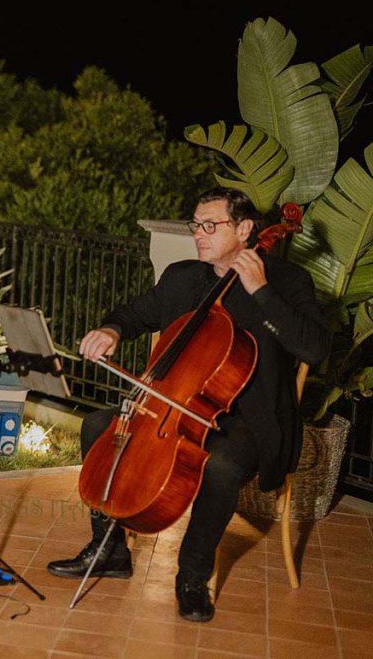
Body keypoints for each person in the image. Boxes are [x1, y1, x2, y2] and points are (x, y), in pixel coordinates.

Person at [46, 187, 330, 622]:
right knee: (99, 426)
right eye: (196, 225)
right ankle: (109, 550)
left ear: (246, 229)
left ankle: (192, 577)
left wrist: (260, 292)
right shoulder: (183, 277)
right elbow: (136, 313)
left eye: (210, 225)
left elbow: (313, 348)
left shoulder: (287, 282)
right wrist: (111, 330)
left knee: (220, 465)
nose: (199, 234)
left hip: (250, 420)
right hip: (177, 406)